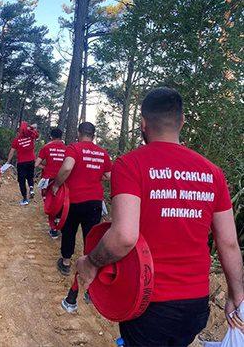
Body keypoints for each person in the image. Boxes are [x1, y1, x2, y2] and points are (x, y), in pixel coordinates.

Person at [76, 87, 244, 346]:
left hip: (147, 303)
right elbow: (229, 243)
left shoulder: (130, 165)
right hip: (195, 306)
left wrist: (92, 262)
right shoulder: (213, 173)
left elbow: (123, 236)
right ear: (182, 122)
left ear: (143, 123)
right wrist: (237, 293)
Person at [52, 122, 111, 277]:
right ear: (93, 135)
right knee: (90, 234)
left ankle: (65, 263)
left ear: (79, 133)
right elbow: (108, 175)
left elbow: (66, 168)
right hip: (95, 201)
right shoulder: (102, 153)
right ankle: (89, 267)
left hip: (74, 200)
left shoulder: (74, 148)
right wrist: (93, 176)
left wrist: (57, 185)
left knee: (69, 230)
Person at [35, 128, 67, 239]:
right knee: (61, 202)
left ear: (51, 136)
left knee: (50, 202)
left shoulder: (46, 147)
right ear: (61, 136)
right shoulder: (67, 149)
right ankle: (59, 223)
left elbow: (36, 164)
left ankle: (53, 229)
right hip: (62, 180)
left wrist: (45, 167)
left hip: (48, 180)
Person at [6, 122, 40, 205]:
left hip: (21, 163)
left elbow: (12, 152)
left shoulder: (16, 140)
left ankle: (25, 199)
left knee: (22, 181)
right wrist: (30, 127)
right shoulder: (31, 136)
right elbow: (35, 128)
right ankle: (31, 188)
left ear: (19, 132)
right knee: (30, 177)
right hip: (31, 161)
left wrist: (8, 162)